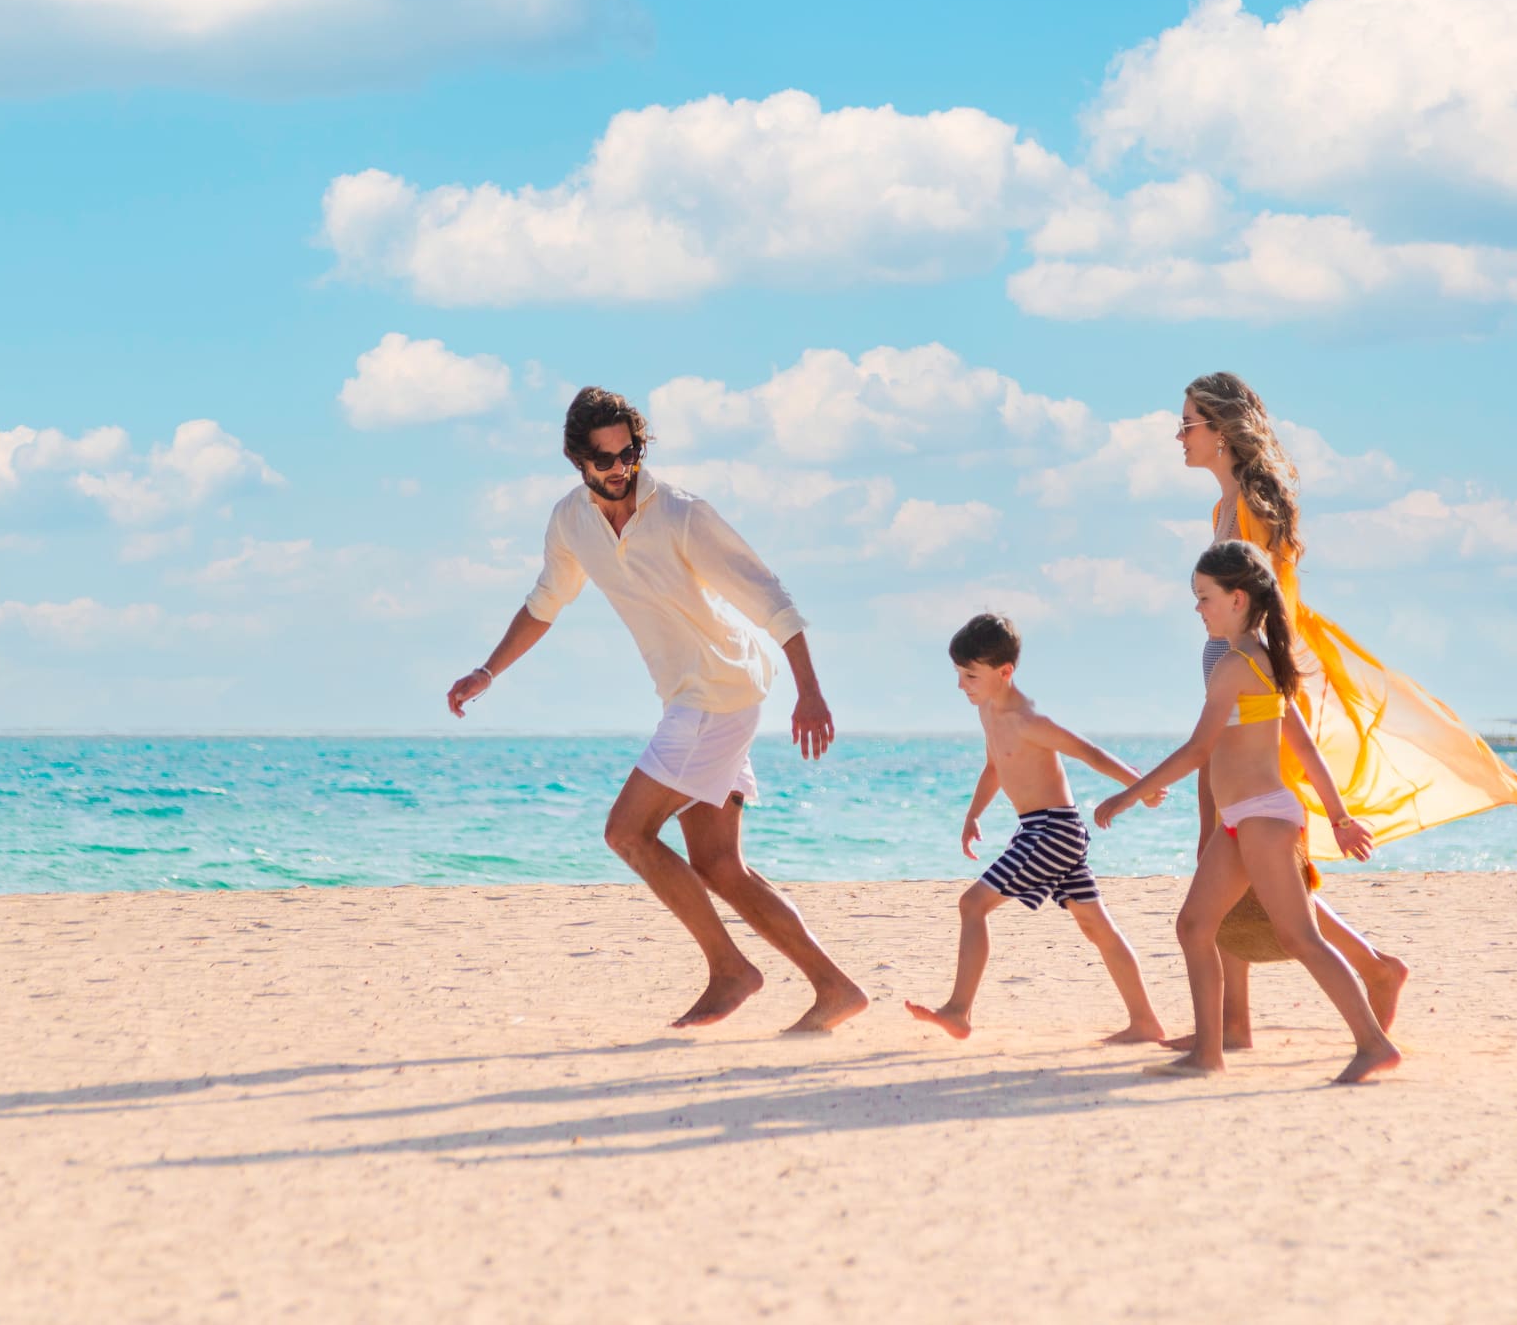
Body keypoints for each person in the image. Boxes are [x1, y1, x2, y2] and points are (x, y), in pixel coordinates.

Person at [445, 386, 868, 1034]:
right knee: (720, 865)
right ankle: (835, 988)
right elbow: (543, 604)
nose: (618, 468)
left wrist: (810, 690)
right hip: (696, 696)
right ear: (576, 459)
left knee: (627, 833)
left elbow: (768, 595)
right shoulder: (571, 522)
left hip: (716, 692)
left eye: (628, 454)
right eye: (603, 458)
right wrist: (487, 670)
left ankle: (731, 970)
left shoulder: (680, 514)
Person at [1167, 371, 1517, 1047]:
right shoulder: (1223, 511)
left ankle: (1364, 971)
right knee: (1227, 850)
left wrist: (1261, 693)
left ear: (1221, 431)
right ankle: (1237, 1021)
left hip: (1253, 696)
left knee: (1247, 853)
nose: (1178, 436)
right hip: (1232, 686)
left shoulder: (1247, 507)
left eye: (1187, 423)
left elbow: (1272, 615)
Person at [1097, 542, 1401, 1084]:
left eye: (1204, 598)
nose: (1198, 610)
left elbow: (1197, 750)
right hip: (1246, 818)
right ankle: (1208, 1052)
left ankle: (1373, 1044)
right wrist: (1338, 818)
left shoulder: (1237, 666)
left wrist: (1126, 795)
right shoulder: (1262, 660)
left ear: (1237, 599)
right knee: (1194, 925)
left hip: (1262, 818)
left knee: (1300, 938)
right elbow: (1304, 751)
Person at [905, 613, 1167, 1044]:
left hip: (1053, 831)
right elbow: (994, 766)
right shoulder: (987, 710)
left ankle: (958, 1011)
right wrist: (973, 815)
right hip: (1039, 828)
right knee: (1095, 925)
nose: (961, 685)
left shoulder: (1031, 720)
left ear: (1004, 672)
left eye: (970, 675)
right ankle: (1145, 1022)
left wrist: (1139, 789)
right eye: (958, 674)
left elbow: (1090, 752)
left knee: (973, 906)